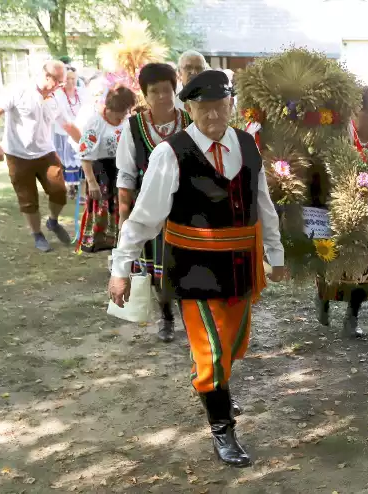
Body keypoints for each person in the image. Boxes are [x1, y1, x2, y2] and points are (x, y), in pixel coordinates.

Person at [109, 70, 284, 467]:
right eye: (203, 108)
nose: (213, 116)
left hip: (241, 267)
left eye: (220, 106)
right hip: (195, 269)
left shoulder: (247, 144)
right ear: (188, 108)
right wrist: (120, 266)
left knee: (233, 345)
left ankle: (213, 383)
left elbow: (263, 203)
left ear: (231, 106)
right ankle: (222, 428)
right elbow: (143, 219)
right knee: (213, 351)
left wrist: (276, 254)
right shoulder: (170, 152)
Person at [116, 63, 192, 343]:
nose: (162, 96)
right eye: (154, 91)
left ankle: (191, 317)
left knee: (186, 265)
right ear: (145, 95)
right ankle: (167, 316)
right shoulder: (134, 127)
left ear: (175, 90)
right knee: (157, 268)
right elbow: (125, 174)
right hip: (149, 207)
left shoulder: (189, 122)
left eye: (167, 89)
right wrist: (125, 217)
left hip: (186, 207)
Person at [314, 86, 368, 339]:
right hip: (337, 209)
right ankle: (322, 302)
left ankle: (352, 316)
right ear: (355, 111)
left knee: (364, 268)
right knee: (330, 262)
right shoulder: (340, 134)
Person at [0, 60, 82, 252]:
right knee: (28, 199)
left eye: (63, 83)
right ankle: (37, 234)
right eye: (59, 82)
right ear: (47, 76)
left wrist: (86, 145)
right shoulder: (19, 91)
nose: (60, 86)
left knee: (59, 191)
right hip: (18, 155)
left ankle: (53, 222)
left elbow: (68, 125)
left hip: (46, 153)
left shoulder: (54, 99)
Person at [74, 85, 136, 253]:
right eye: (120, 111)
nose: (123, 115)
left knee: (125, 207)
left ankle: (122, 243)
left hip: (122, 167)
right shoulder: (95, 123)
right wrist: (92, 182)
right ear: (110, 108)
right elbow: (85, 155)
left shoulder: (127, 119)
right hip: (102, 172)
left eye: (126, 111)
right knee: (106, 208)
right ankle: (106, 244)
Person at [54, 67, 85, 198]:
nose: (71, 81)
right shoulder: (58, 94)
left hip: (79, 130)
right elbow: (60, 113)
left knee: (80, 156)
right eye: (68, 79)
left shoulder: (81, 93)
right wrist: (70, 125)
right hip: (64, 130)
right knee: (66, 158)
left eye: (73, 78)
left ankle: (81, 187)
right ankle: (69, 186)